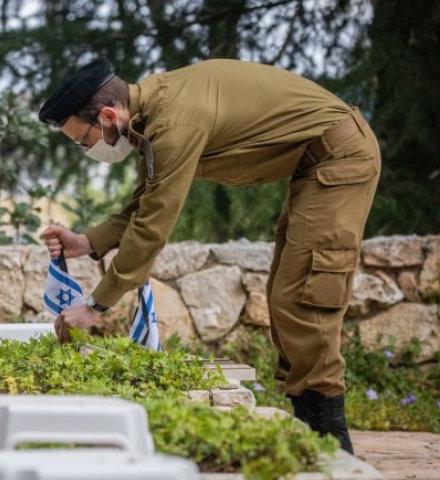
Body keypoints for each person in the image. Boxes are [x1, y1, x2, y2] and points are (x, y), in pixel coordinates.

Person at [37, 57, 380, 454]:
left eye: (84, 140)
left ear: (109, 116)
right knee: (285, 295)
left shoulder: (174, 124)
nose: (86, 150)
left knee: (305, 294)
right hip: (315, 163)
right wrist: (88, 241)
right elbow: (144, 203)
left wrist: (96, 306)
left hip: (340, 157)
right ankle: (312, 432)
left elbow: (153, 227)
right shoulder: (154, 118)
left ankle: (331, 444)